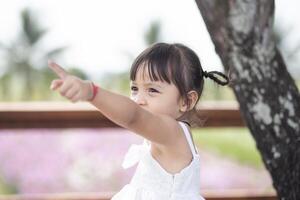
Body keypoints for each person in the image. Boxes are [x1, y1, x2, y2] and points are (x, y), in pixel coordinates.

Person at [48, 42, 230, 200]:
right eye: (135, 88)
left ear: (186, 101)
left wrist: (91, 92)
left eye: (152, 90)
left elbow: (134, 116)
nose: (139, 99)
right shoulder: (164, 134)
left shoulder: (173, 132)